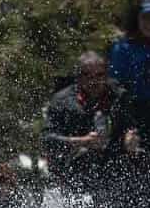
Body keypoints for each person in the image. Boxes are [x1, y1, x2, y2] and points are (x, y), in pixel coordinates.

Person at [40, 52, 138, 196]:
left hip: (112, 163)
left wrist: (130, 138)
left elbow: (130, 126)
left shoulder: (119, 96)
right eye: (88, 75)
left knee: (141, 161)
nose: (94, 81)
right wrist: (81, 142)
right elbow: (47, 140)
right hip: (74, 166)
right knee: (87, 160)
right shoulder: (62, 101)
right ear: (78, 78)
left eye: (99, 75)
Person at [108, 0, 150, 153]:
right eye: (144, 18)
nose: (149, 23)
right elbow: (114, 82)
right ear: (136, 20)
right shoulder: (123, 48)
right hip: (133, 111)